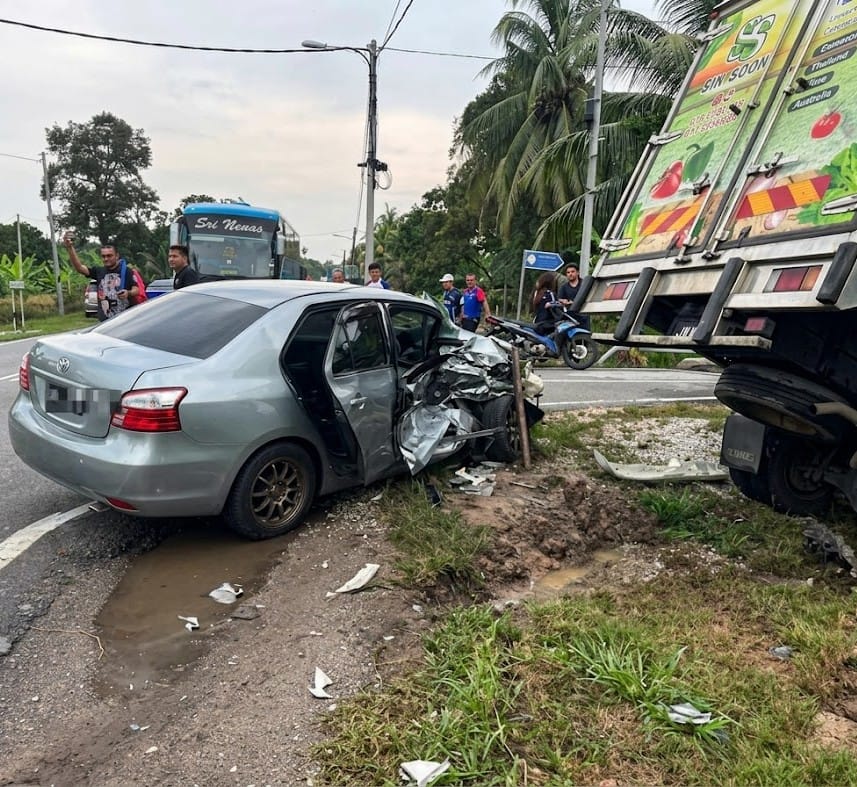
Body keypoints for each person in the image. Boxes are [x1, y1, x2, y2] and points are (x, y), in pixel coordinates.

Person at [63, 232, 138, 321]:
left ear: (117, 256)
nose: (106, 259)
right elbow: (80, 268)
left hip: (124, 320)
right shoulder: (98, 271)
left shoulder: (127, 271)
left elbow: (136, 289)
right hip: (105, 322)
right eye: (103, 256)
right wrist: (70, 248)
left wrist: (128, 293)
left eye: (109, 256)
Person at [558, 261, 590, 330]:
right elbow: (559, 299)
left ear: (577, 272)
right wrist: (563, 301)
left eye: (572, 272)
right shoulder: (564, 287)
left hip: (583, 316)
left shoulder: (584, 284)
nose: (570, 274)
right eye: (568, 272)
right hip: (570, 317)